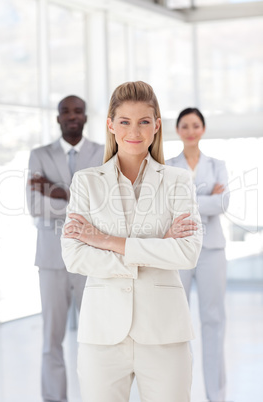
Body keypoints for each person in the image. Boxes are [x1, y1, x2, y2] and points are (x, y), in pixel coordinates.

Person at [61, 81, 203, 402]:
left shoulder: (178, 181)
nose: (134, 131)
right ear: (111, 125)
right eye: (124, 121)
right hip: (102, 334)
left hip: (165, 333)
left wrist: (103, 239)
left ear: (157, 126)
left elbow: (188, 253)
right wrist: (157, 247)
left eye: (144, 121)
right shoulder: (86, 182)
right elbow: (75, 257)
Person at [26, 95, 104, 402]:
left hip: (91, 256)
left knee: (96, 338)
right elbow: (34, 204)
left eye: (78, 111)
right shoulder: (39, 155)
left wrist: (56, 190)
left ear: (85, 117)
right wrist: (79, 202)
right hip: (51, 259)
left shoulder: (101, 153)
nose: (72, 116)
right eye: (65, 112)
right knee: (51, 339)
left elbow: (104, 205)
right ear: (58, 118)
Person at [166, 107, 230, 402]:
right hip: (180, 248)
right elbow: (169, 206)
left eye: (196, 125)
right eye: (185, 126)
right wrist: (207, 198)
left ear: (202, 129)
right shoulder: (168, 166)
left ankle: (216, 396)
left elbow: (222, 203)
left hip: (212, 249)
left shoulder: (218, 165)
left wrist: (190, 200)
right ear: (177, 130)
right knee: (179, 321)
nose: (190, 130)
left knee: (214, 319)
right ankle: (182, 392)